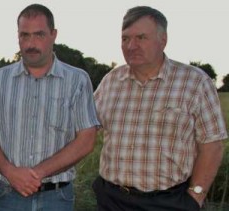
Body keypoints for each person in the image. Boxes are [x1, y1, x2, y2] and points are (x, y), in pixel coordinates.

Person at [92, 6, 227, 210]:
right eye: (125, 38)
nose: (131, 46)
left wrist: (195, 197)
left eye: (141, 37)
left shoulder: (194, 82)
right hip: (112, 200)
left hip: (168, 202)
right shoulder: (111, 81)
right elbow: (86, 130)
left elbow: (213, 145)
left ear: (163, 40)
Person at [0, 4, 100, 211]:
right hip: (7, 194)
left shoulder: (77, 80)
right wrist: (10, 171)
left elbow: (86, 140)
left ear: (53, 34)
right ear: (17, 36)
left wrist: (37, 173)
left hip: (56, 198)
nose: (31, 43)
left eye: (39, 35)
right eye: (25, 35)